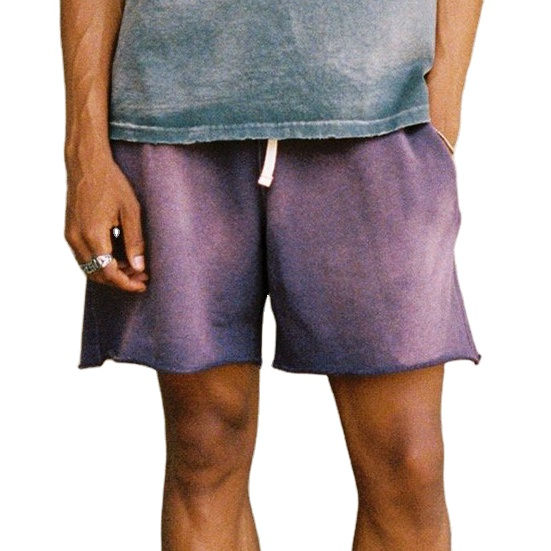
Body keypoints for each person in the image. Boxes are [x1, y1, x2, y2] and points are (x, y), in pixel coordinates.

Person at [60, 0, 483, 549]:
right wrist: (85, 154)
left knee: (407, 462)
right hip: (173, 112)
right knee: (204, 446)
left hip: (381, 109)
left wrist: (444, 103)